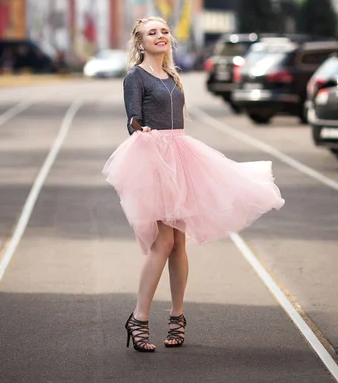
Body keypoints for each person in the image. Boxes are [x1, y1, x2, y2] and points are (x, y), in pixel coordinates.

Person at [102, 17, 285, 353]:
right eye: (152, 33)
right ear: (140, 43)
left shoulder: (173, 76)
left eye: (164, 31)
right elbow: (132, 118)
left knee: (180, 243)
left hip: (182, 157)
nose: (160, 36)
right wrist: (140, 130)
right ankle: (138, 319)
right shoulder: (135, 77)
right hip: (155, 159)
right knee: (164, 241)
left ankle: (177, 317)